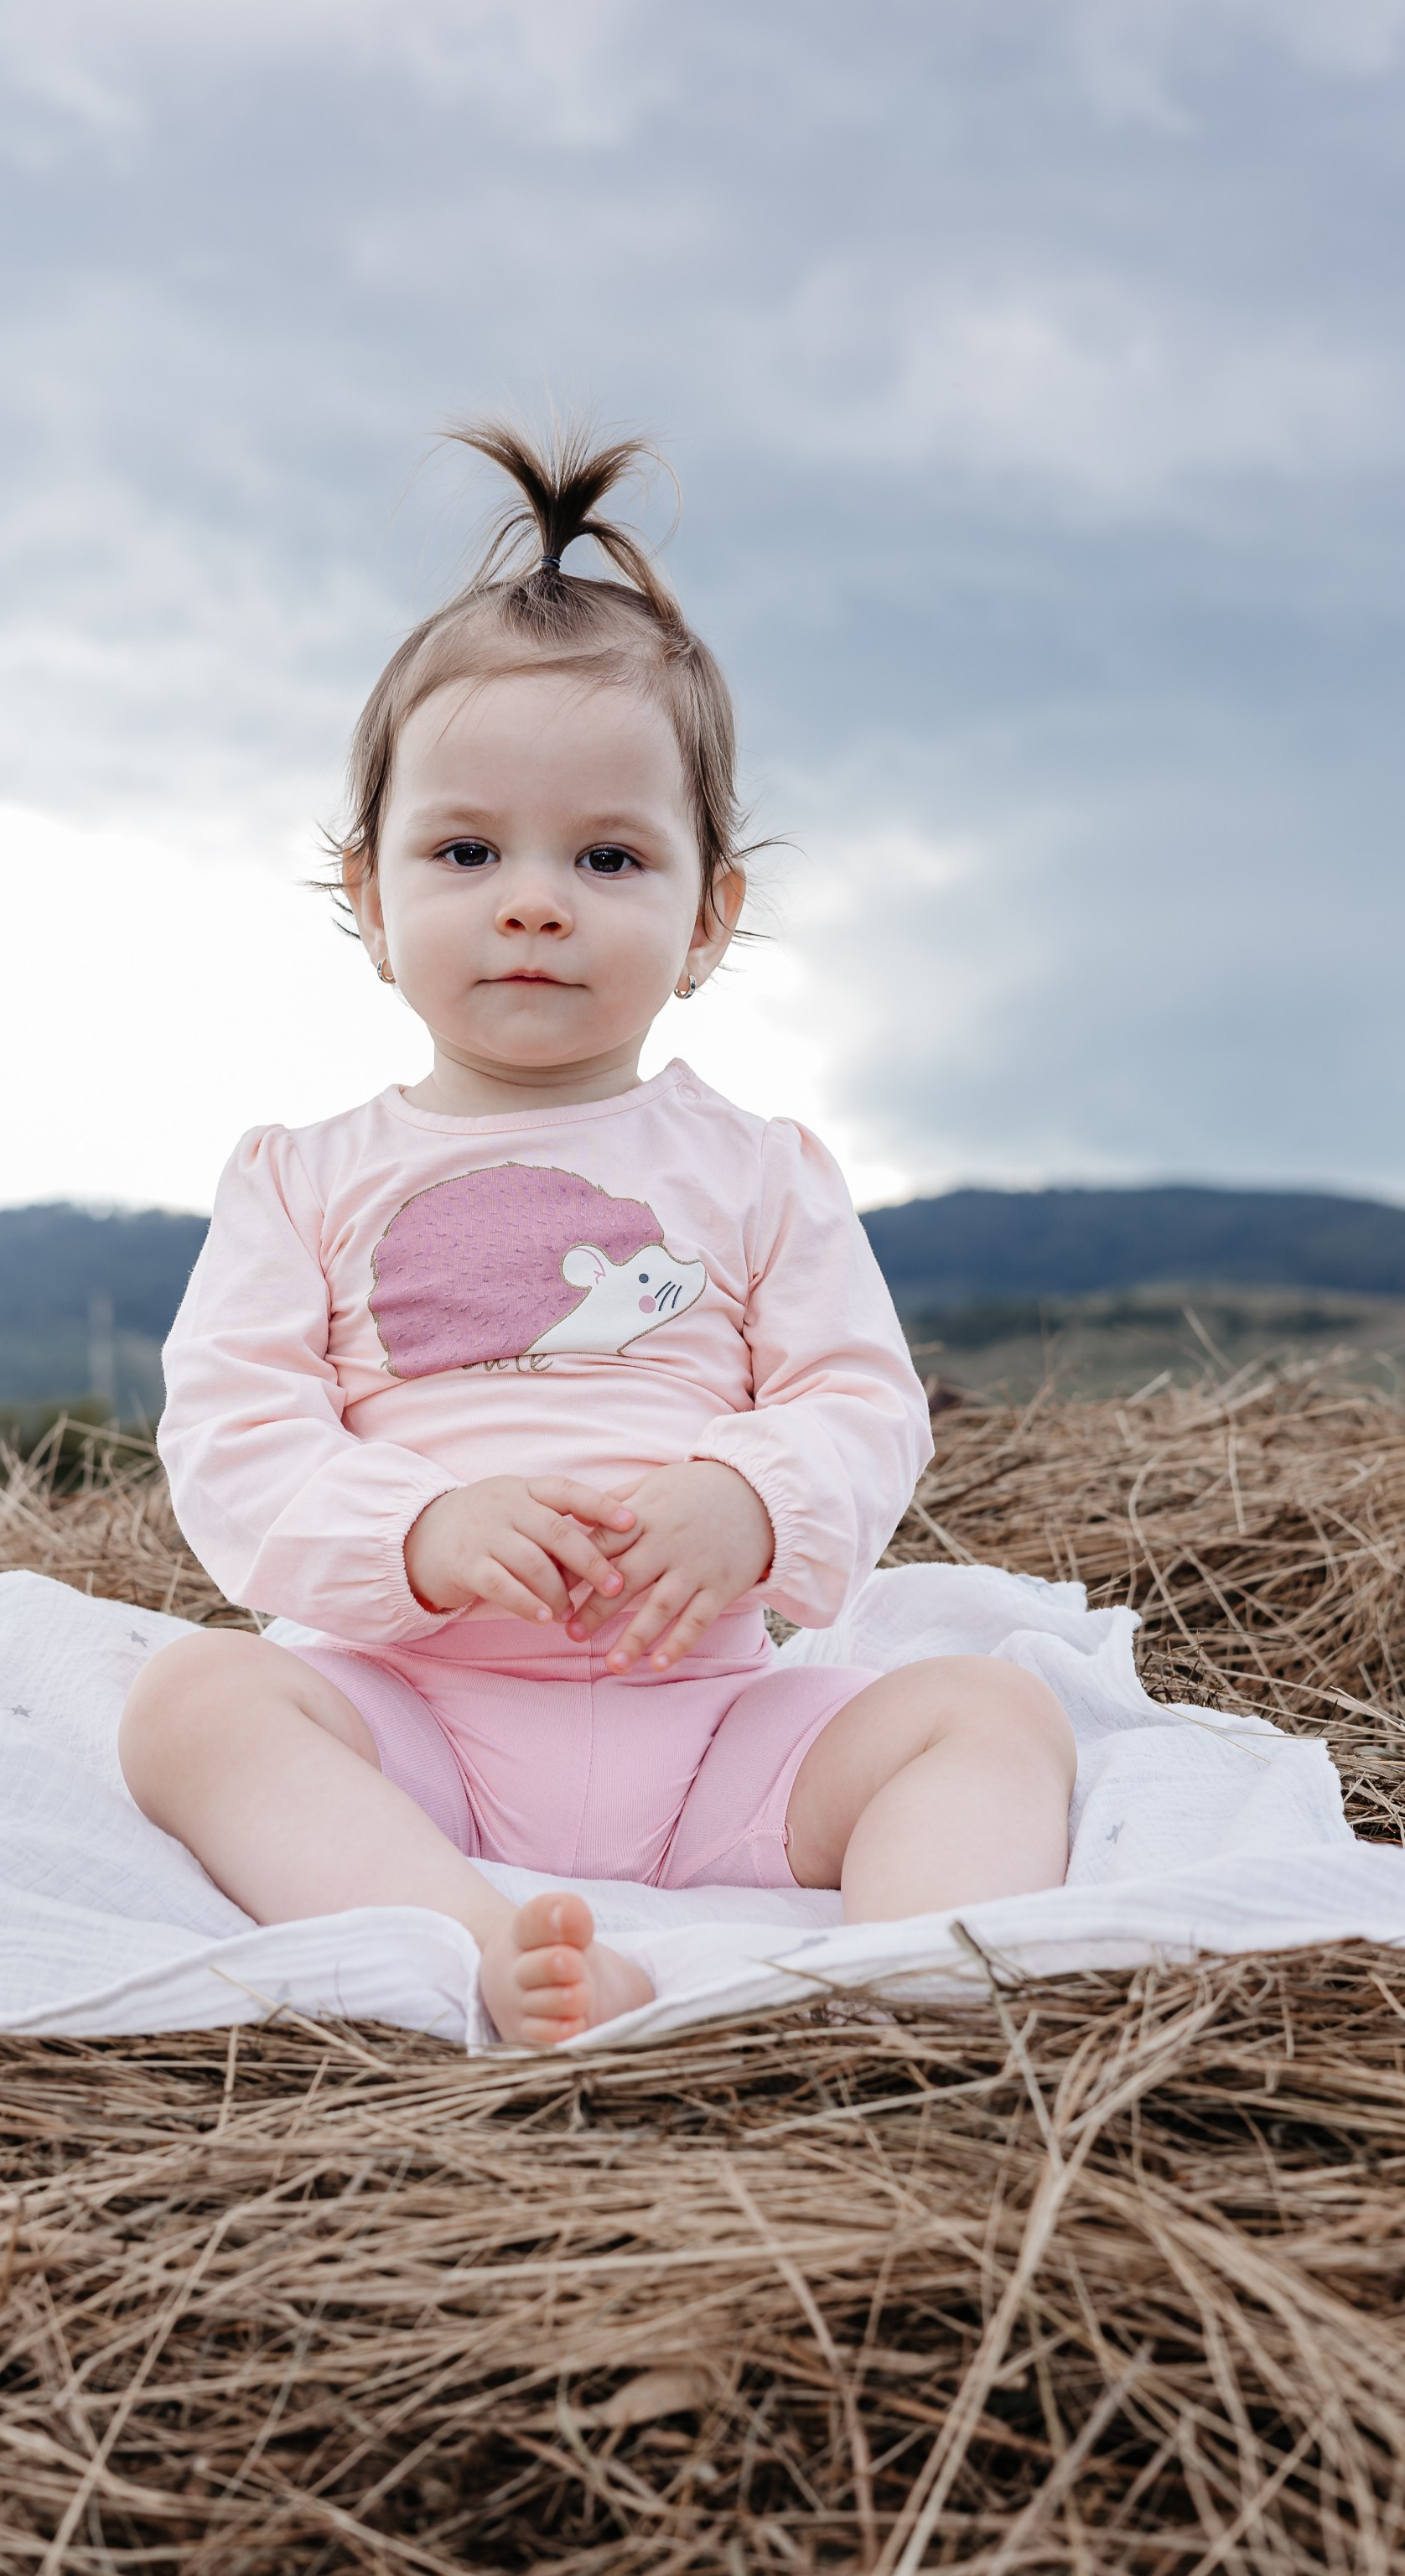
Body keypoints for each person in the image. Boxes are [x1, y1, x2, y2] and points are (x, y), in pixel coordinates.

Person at [120, 421, 1076, 2048]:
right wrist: (416, 1530)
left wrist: (749, 1500)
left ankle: (899, 2010)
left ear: (709, 915)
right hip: (416, 1712)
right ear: (366, 895)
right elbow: (234, 1441)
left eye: (608, 856)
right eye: (467, 850)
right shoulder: (299, 1177)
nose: (534, 899)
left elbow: (861, 1406)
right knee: (188, 1708)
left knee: (990, 1715)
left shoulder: (762, 1171)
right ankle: (480, 1938)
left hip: (709, 1726)